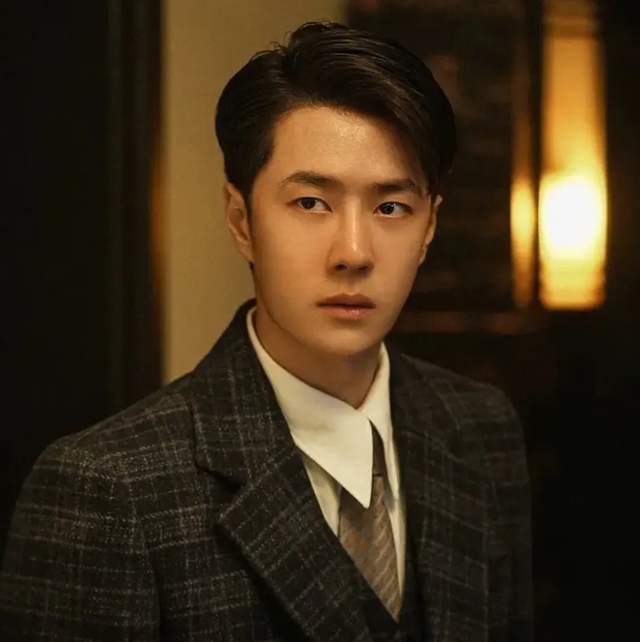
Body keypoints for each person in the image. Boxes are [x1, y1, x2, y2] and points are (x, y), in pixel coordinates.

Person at [0, 21, 532, 641]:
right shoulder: (109, 485)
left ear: (429, 228)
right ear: (241, 221)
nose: (353, 252)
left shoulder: (479, 428)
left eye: (391, 207)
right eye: (311, 203)